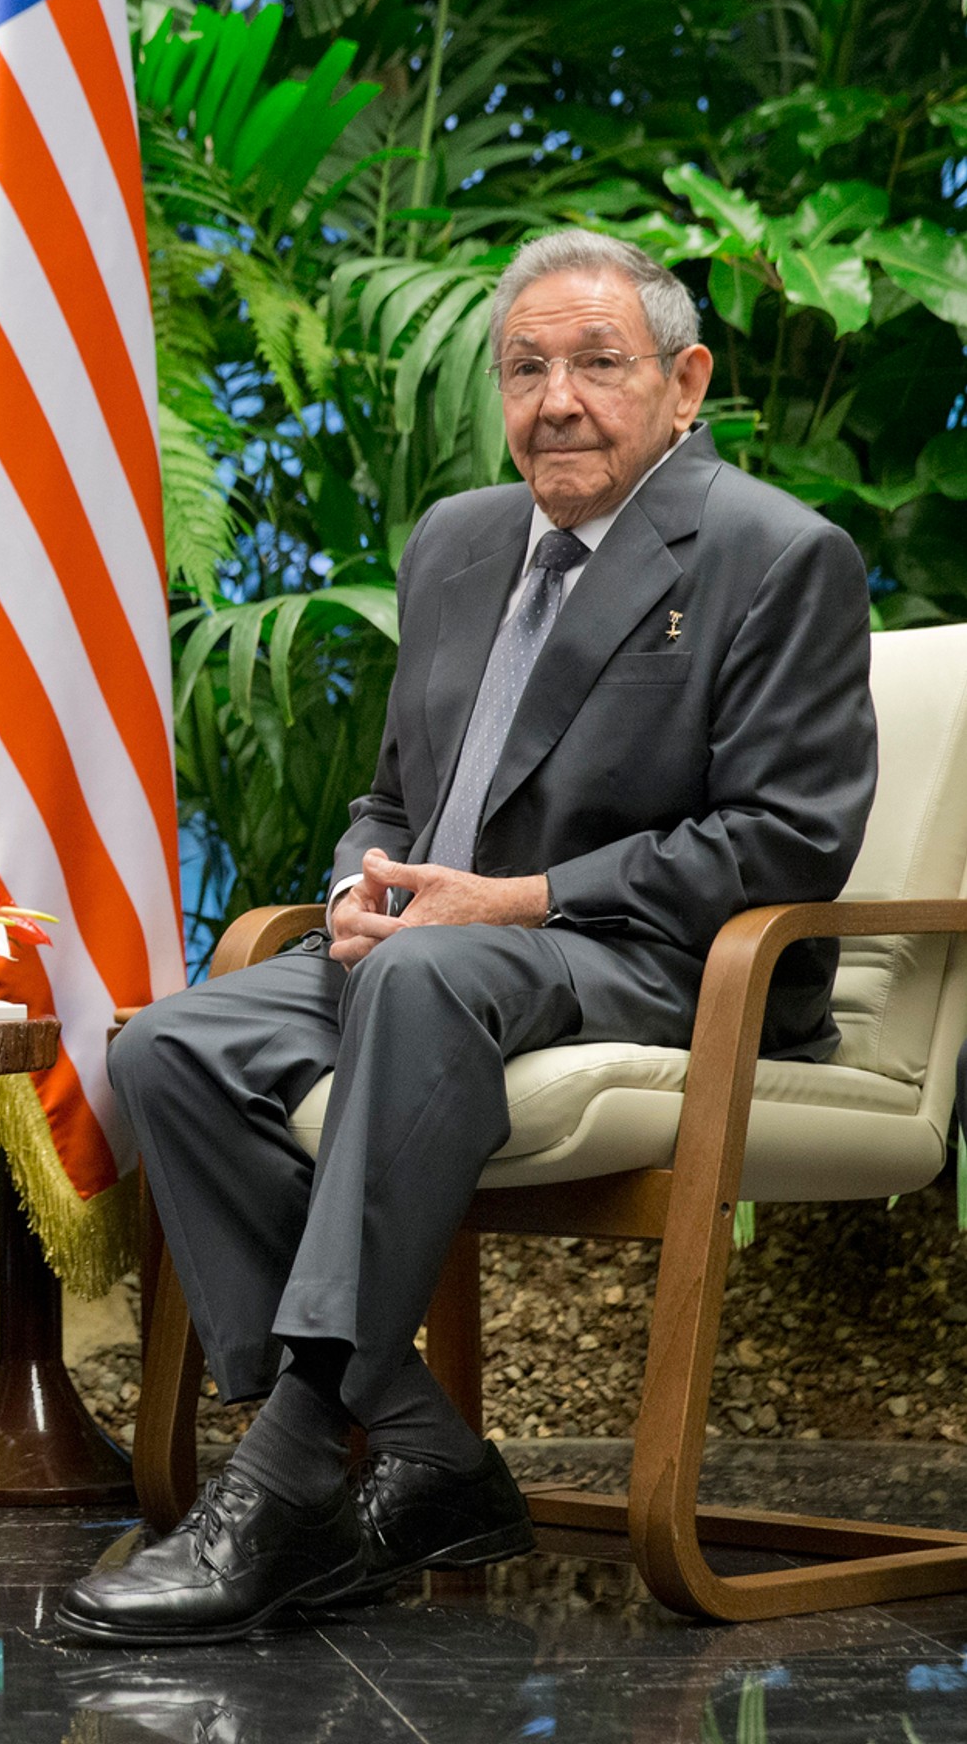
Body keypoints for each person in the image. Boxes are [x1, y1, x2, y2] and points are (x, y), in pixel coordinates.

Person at [62, 231, 877, 1645]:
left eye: (598, 364)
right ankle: (428, 1452)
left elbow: (788, 840)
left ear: (684, 383)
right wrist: (352, 888)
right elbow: (394, 797)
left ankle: (287, 1476)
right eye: (525, 368)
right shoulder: (457, 540)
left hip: (661, 962)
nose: (558, 400)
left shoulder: (778, 555)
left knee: (431, 975)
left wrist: (515, 900)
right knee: (172, 1048)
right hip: (439, 956)